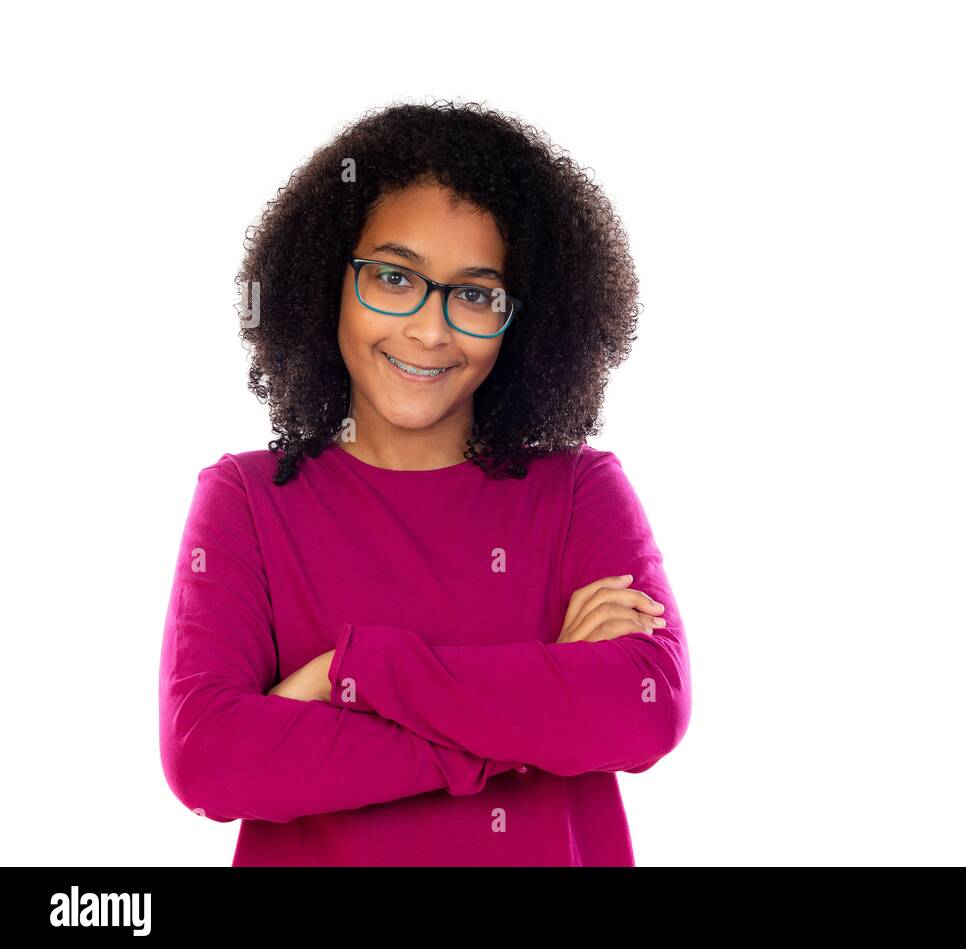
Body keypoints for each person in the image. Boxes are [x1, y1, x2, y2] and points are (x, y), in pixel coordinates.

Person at [158, 100, 691, 865]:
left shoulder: (579, 493)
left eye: (474, 294)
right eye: (393, 277)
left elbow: (645, 709)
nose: (430, 329)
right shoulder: (247, 500)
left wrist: (351, 672)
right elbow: (211, 758)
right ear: (326, 282)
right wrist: (527, 721)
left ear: (522, 318)